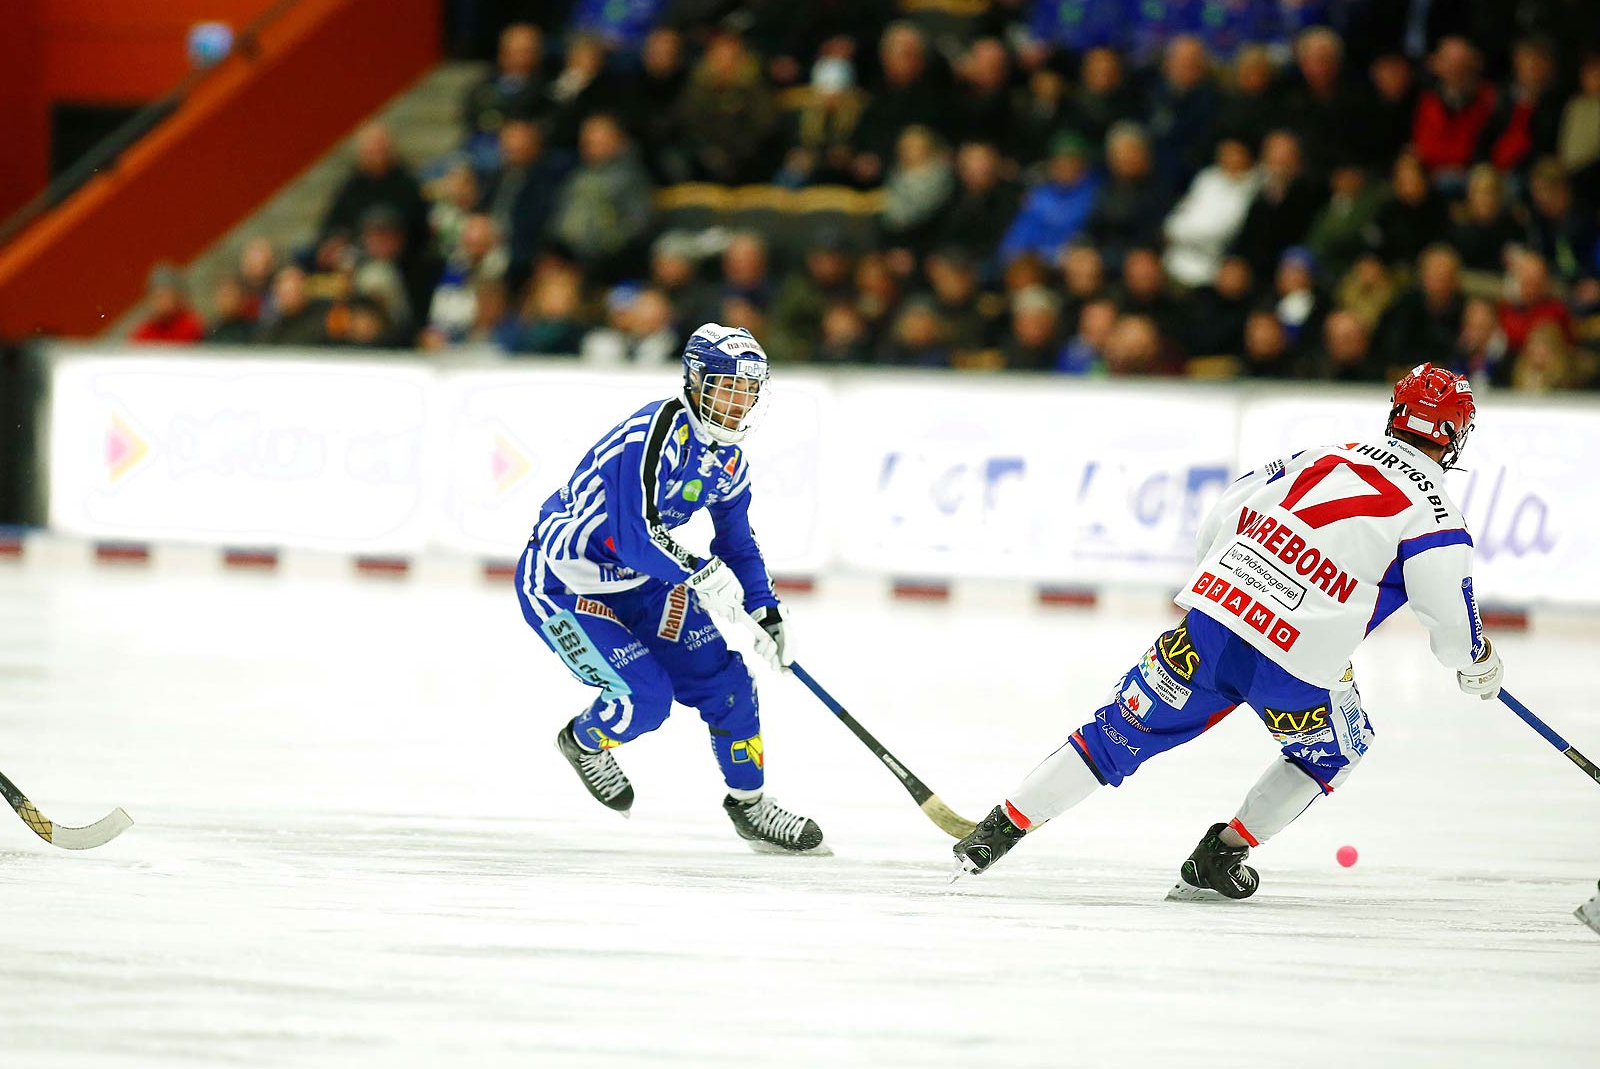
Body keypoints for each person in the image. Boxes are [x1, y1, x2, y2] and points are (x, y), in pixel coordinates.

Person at [952, 364, 1500, 898]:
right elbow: (1453, 625)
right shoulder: (1438, 516)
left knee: (1118, 732)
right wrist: (1477, 665)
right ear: (1454, 434)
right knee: (1335, 752)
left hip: (1212, 622)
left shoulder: (1323, 453)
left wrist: (1220, 586)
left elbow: (1225, 508)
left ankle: (998, 830)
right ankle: (1223, 853)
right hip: (1296, 665)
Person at [514, 324, 823, 854]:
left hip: (643, 584)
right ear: (695, 383)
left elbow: (737, 542)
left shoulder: (728, 461)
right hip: (565, 586)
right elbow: (630, 535)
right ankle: (584, 741)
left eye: (747, 392)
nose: (737, 403)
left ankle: (750, 806)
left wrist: (766, 610)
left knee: (729, 685)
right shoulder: (651, 435)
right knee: (644, 702)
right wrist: (699, 572)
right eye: (726, 388)